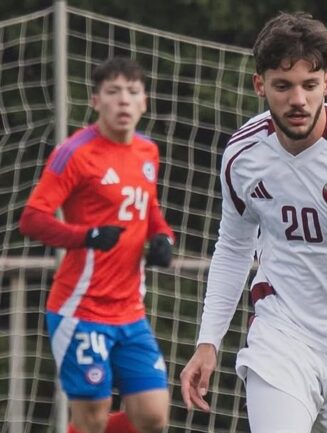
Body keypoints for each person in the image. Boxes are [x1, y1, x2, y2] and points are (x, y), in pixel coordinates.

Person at [178, 11, 327, 433]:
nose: (297, 100)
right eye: (283, 86)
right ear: (260, 85)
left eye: (309, 85)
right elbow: (232, 247)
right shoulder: (242, 156)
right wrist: (207, 342)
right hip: (283, 335)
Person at [19, 57, 174, 433]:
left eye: (132, 93)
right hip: (80, 308)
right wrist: (84, 236)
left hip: (131, 311)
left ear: (144, 103)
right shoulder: (75, 153)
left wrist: (164, 236)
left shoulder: (147, 151)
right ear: (95, 100)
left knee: (153, 416)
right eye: (113, 92)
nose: (123, 101)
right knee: (91, 418)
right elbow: (32, 218)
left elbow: (148, 206)